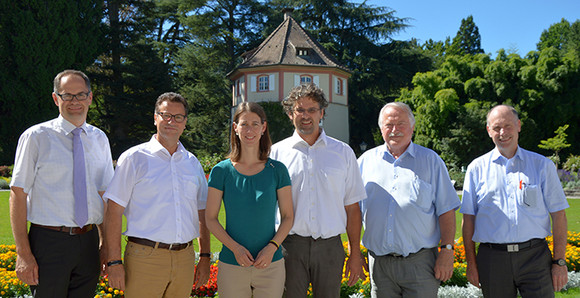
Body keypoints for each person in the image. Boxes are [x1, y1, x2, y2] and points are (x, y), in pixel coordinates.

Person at [9, 69, 115, 297]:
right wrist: (23, 253)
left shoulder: (100, 139)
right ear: (56, 98)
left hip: (89, 243)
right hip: (49, 243)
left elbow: (104, 195)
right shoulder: (36, 137)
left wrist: (106, 244)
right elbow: (18, 194)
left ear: (90, 97)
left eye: (80, 95)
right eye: (67, 95)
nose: (74, 101)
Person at [103, 92, 211, 298]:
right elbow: (113, 212)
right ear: (155, 118)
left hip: (185, 258)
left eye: (178, 117)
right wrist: (114, 261)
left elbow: (202, 214)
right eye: (165, 115)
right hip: (145, 258)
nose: (172, 121)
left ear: (185, 122)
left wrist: (204, 256)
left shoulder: (192, 163)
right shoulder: (134, 158)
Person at [461, 104, 569, 297]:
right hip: (493, 259)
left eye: (508, 126)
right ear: (488, 131)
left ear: (518, 125)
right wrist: (471, 263)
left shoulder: (542, 166)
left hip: (535, 257)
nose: (502, 133)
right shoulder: (476, 169)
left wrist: (559, 262)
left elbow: (559, 215)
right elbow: (468, 220)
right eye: (496, 127)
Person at [270, 83, 367, 297]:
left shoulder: (342, 152)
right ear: (290, 114)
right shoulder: (275, 154)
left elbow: (352, 208)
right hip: (290, 247)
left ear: (322, 113)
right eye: (300, 110)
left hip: (330, 248)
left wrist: (354, 254)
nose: (306, 115)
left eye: (312, 109)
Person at [357, 102, 460, 297]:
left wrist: (447, 250)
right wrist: (355, 253)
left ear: (412, 127)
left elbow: (446, 209)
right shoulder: (364, 162)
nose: (395, 130)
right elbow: (353, 212)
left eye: (401, 124)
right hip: (380, 266)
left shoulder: (431, 161)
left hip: (420, 265)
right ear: (381, 129)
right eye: (389, 125)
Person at [205, 102, 294, 298]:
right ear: (235, 128)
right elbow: (210, 218)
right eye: (244, 124)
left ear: (263, 128)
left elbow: (288, 216)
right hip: (231, 263)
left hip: (271, 264)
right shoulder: (221, 171)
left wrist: (272, 248)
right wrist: (235, 249)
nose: (249, 130)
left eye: (255, 124)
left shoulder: (278, 170)